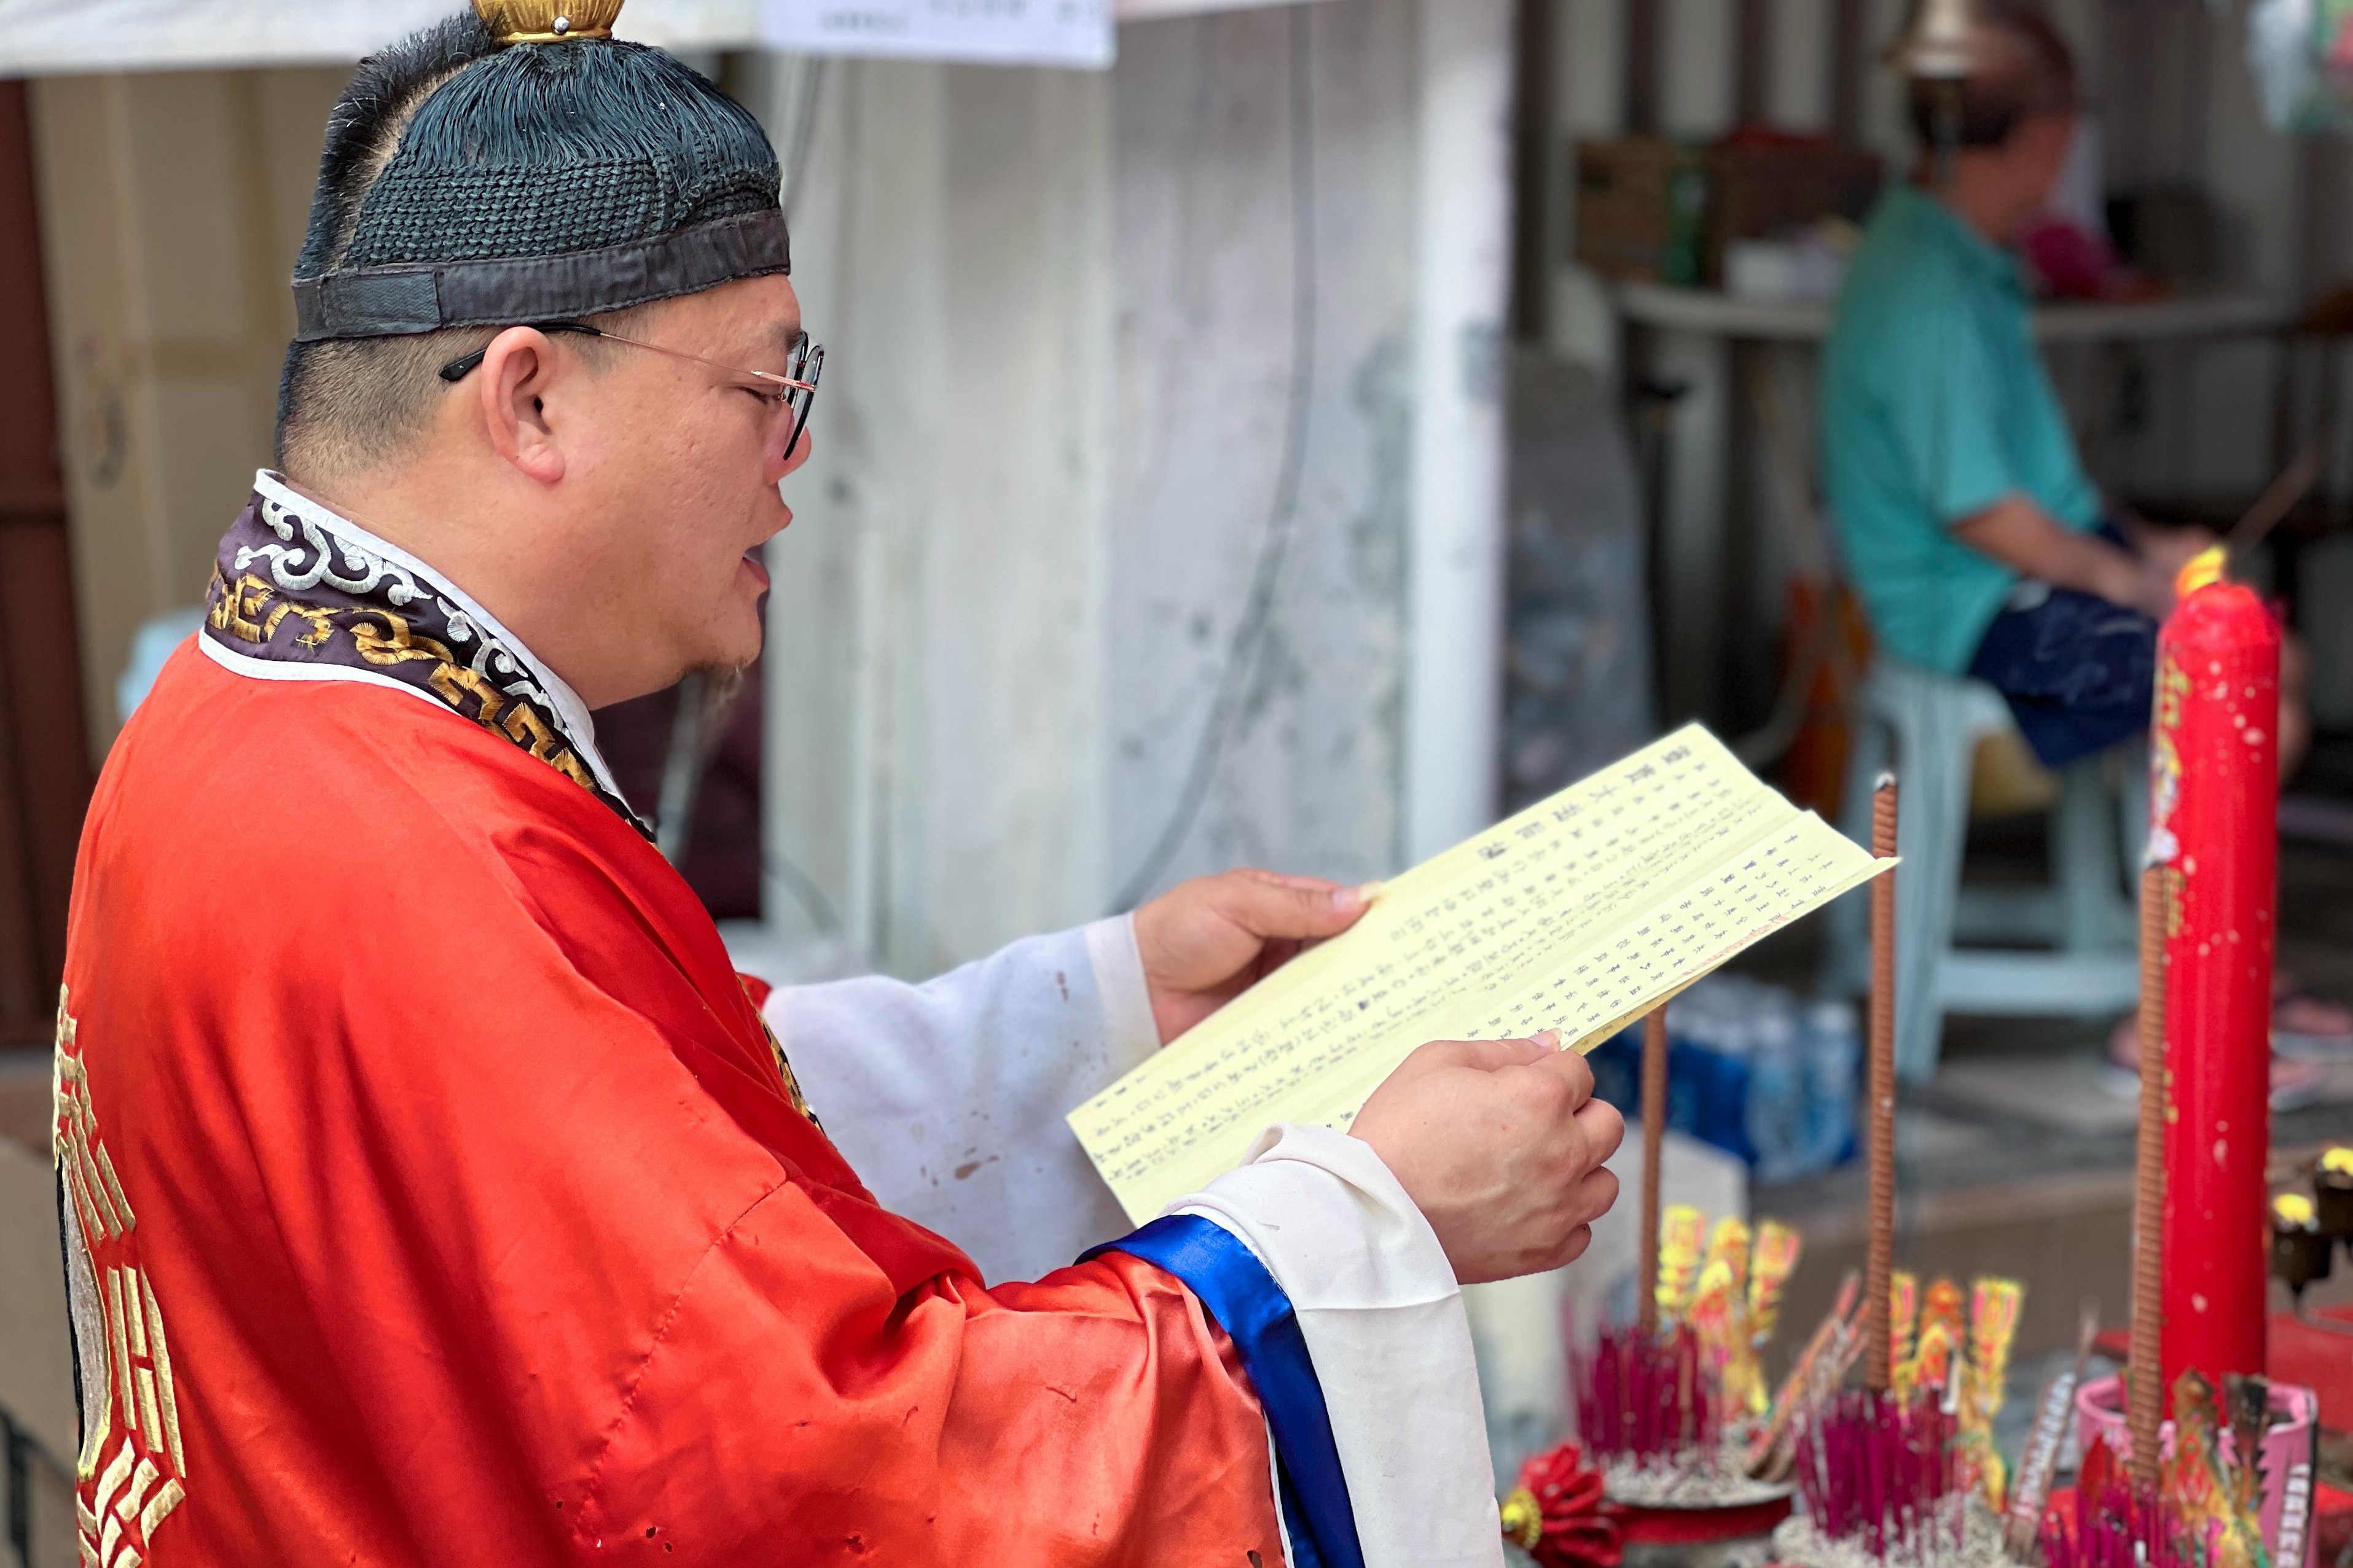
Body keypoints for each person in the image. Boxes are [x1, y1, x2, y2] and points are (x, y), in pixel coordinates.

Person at [52, 4, 1624, 1564]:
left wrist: (1101, 1012)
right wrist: (1361, 1224)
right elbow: (831, 1471)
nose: (792, 467)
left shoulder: (247, 715)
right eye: (763, 389)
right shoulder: (417, 859)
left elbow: (657, 1130)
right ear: (530, 399)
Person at [1818, 5, 2349, 1084]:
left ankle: (2225, 965)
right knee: (2236, 694)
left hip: (2007, 586)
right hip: (1969, 614)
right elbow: (1983, 515)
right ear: (2033, 131)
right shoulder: (1925, 281)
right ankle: (2165, 1009)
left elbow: (2029, 490)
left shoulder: (1961, 252)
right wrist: (2136, 580)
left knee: (2257, 654)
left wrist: (2151, 546)